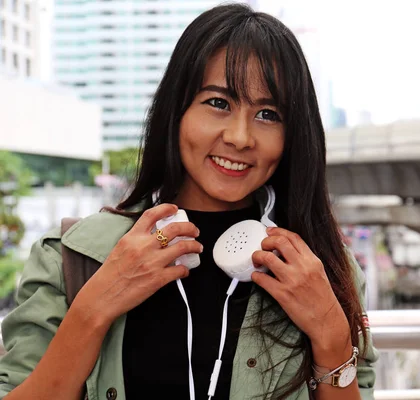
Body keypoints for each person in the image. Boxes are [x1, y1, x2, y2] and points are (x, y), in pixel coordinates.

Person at [0, 3, 378, 400]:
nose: (240, 137)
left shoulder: (321, 270)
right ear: (176, 109)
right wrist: (94, 309)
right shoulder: (72, 256)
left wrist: (332, 338)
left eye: (268, 113)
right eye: (218, 103)